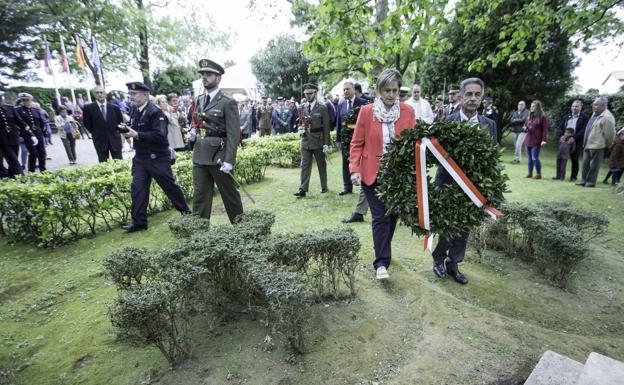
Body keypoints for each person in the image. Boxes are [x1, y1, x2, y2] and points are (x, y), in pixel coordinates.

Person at [349, 69, 416, 280]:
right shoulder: (367, 112)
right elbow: (357, 143)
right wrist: (354, 170)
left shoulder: (408, 111)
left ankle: (383, 250)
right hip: (372, 174)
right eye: (386, 90)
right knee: (380, 217)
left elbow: (412, 142)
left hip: (397, 176)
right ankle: (381, 263)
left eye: (395, 90)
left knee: (393, 216)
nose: (391, 94)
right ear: (379, 90)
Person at [433, 77, 497, 285]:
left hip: (474, 189)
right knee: (447, 227)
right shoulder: (448, 122)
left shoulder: (489, 125)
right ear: (460, 97)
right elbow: (437, 157)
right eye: (468, 94)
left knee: (464, 229)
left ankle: (454, 264)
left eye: (477, 94)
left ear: (482, 98)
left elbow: (493, 157)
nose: (473, 98)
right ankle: (438, 260)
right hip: (448, 185)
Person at [120, 81, 190, 233]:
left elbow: (160, 135)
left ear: (145, 95)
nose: (131, 96)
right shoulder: (135, 110)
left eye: (134, 93)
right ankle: (139, 222)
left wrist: (137, 134)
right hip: (141, 158)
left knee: (169, 187)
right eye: (130, 94)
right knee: (138, 189)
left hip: (156, 157)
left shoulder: (155, 112)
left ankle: (186, 213)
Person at [188, 59, 243, 223]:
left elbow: (234, 134)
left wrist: (229, 160)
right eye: (203, 74)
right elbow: (196, 121)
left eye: (209, 74)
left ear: (218, 78)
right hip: (199, 155)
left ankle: (242, 229)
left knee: (230, 196)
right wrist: (192, 133)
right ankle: (199, 233)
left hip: (219, 157)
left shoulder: (228, 102)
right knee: (199, 198)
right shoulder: (199, 100)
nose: (205, 77)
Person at [336, 81, 369, 223]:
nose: (345, 92)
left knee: (367, 176)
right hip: (348, 141)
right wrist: (339, 139)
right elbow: (338, 123)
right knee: (347, 165)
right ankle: (348, 188)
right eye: (344, 90)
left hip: (363, 142)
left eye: (348, 89)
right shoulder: (341, 104)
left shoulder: (364, 103)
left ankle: (360, 212)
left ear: (354, 90)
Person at [293, 83, 330, 197]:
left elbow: (326, 126)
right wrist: (300, 128)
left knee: (321, 164)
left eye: (310, 93)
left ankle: (324, 186)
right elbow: (301, 121)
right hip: (306, 140)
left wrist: (326, 144)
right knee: (305, 165)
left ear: (315, 93)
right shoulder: (303, 107)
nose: (308, 96)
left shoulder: (322, 107)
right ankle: (303, 189)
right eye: (306, 94)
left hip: (318, 139)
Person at [577, 96, 616, 187]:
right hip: (587, 143)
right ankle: (584, 181)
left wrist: (608, 146)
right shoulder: (595, 113)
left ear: (602, 105)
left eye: (595, 104)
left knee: (594, 165)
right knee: (585, 164)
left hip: (598, 145)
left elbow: (610, 134)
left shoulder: (607, 117)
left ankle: (590, 182)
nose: (592, 106)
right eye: (593, 104)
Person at [83, 86, 124, 162]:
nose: (99, 94)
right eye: (97, 93)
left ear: (105, 94)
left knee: (119, 163)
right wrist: (96, 132)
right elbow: (87, 123)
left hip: (115, 140)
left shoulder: (115, 108)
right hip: (100, 141)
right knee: (103, 165)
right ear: (94, 94)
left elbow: (120, 123)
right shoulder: (88, 108)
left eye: (101, 92)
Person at [0, 91, 31, 178]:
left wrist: (31, 134)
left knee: (13, 159)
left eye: (1, 98)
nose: (1, 100)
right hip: (2, 140)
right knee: (13, 159)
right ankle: (22, 177)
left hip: (14, 137)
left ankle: (11, 177)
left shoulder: (10, 108)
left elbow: (20, 122)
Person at [557, 100, 589, 181]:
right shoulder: (566, 117)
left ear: (580, 107)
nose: (574, 108)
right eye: (573, 106)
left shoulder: (584, 118)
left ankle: (573, 177)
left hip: (576, 142)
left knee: (574, 160)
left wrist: (574, 138)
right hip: (564, 142)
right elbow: (560, 128)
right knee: (560, 159)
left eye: (576, 106)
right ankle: (559, 176)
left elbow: (584, 130)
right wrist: (561, 136)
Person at [16, 93, 47, 172]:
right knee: (33, 153)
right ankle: (31, 170)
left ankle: (43, 169)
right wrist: (20, 135)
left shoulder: (36, 110)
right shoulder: (18, 110)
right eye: (23, 100)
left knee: (42, 152)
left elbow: (41, 122)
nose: (26, 101)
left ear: (31, 100)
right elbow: (17, 124)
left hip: (38, 133)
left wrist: (44, 133)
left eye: (27, 100)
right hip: (27, 134)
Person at [524, 100, 548, 179]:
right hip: (528, 139)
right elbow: (525, 126)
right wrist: (525, 127)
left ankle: (538, 174)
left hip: (536, 140)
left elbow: (545, 129)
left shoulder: (542, 117)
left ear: (538, 107)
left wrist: (544, 140)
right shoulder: (530, 116)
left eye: (533, 106)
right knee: (530, 158)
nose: (531, 108)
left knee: (534, 157)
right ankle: (529, 173)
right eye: (531, 106)